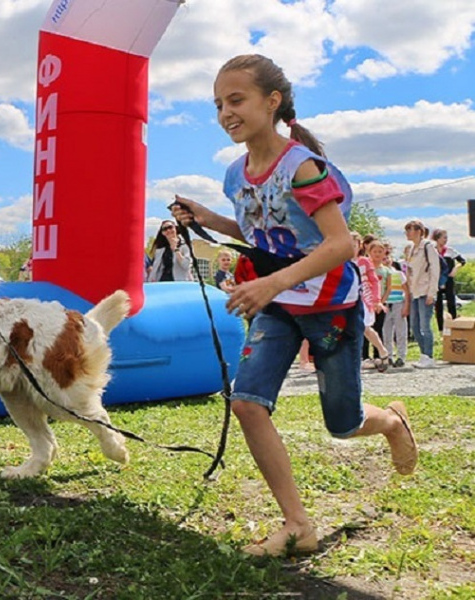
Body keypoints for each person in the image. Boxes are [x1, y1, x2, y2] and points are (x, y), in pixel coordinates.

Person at [171, 54, 417, 558]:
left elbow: (339, 244)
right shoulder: (234, 175)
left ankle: (391, 421)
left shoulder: (302, 169)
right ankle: (298, 524)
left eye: (236, 100)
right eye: (218, 104)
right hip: (280, 304)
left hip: (330, 305)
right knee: (246, 403)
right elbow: (265, 232)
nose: (225, 113)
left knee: (342, 424)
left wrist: (270, 283)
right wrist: (212, 219)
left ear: (272, 101)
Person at [403, 219, 440, 369]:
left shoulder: (428, 247)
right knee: (415, 325)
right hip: (414, 291)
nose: (407, 233)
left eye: (409, 230)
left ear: (418, 231)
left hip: (425, 290)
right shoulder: (411, 248)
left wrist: (432, 292)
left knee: (425, 325)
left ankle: (429, 356)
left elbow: (435, 269)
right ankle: (423, 354)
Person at [352, 233, 389, 372]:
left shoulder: (364, 262)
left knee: (365, 328)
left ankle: (382, 351)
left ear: (359, 246)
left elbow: (374, 281)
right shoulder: (342, 261)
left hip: (363, 299)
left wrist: (377, 300)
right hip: (347, 299)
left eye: (354, 245)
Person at [432, 228, 465, 334]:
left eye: (446, 238)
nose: (445, 240)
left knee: (451, 302)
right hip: (436, 280)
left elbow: (462, 261)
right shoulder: (432, 251)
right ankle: (441, 329)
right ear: (437, 238)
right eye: (444, 238)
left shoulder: (450, 251)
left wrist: (456, 268)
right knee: (438, 305)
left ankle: (454, 326)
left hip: (449, 280)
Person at [382, 248, 409, 368]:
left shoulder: (398, 274)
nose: (386, 260)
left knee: (400, 331)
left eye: (387, 257)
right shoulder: (380, 274)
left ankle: (401, 356)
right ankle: (389, 356)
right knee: (386, 332)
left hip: (398, 303)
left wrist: (406, 306)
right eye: (383, 258)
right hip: (386, 305)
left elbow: (407, 291)